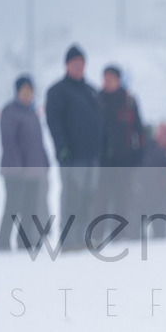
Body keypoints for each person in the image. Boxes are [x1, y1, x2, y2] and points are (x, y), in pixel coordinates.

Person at [46, 44, 103, 251]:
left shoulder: (90, 90)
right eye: (75, 63)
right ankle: (69, 238)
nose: (79, 67)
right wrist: (62, 147)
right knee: (72, 195)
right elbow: (54, 122)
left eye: (81, 63)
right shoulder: (58, 91)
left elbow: (100, 122)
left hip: (91, 155)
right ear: (67, 65)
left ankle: (83, 236)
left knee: (88, 197)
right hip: (72, 155)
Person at [0, 75, 50, 251]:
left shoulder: (31, 113)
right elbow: (9, 142)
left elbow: (38, 142)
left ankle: (24, 241)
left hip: (33, 170)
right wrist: (17, 168)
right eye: (24, 90)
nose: (27, 94)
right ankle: (3, 242)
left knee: (30, 208)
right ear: (18, 92)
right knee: (12, 207)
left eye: (30, 90)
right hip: (16, 171)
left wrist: (45, 162)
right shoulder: (10, 112)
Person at [97, 65, 145, 240]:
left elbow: (139, 131)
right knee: (101, 199)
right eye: (105, 78)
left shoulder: (128, 101)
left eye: (111, 78)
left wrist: (138, 154)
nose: (107, 82)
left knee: (123, 198)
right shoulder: (97, 100)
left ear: (118, 80)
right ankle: (97, 234)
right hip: (103, 161)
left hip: (125, 160)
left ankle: (120, 235)